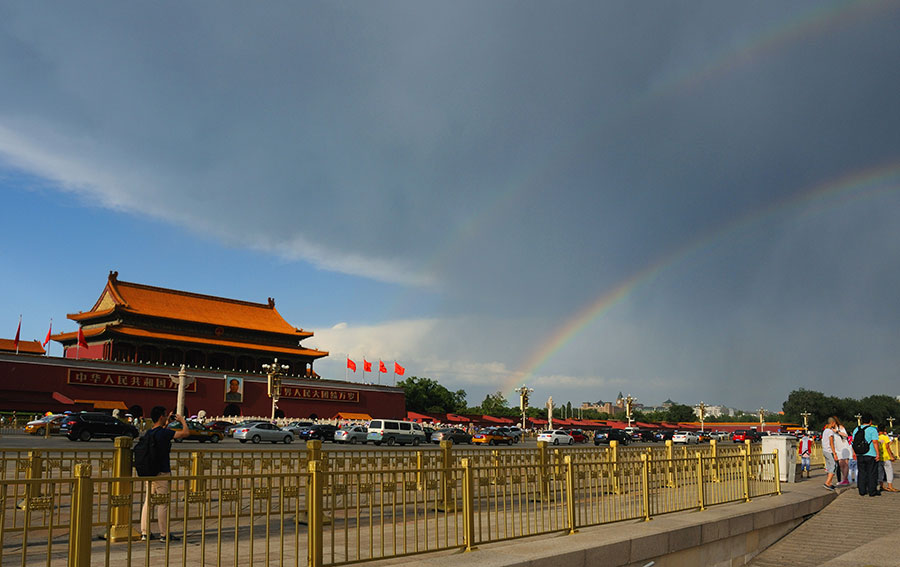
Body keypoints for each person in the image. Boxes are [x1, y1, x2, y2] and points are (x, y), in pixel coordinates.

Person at [140, 406, 189, 541]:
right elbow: (185, 433)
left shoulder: (149, 433)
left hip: (149, 472)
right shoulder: (164, 433)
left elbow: (161, 432)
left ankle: (145, 533)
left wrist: (166, 423)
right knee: (163, 503)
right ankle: (164, 534)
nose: (167, 416)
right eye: (165, 415)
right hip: (162, 472)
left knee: (148, 502)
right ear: (161, 417)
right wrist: (182, 421)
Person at [852, 413, 881, 497]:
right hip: (870, 454)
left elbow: (853, 442)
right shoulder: (872, 430)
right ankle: (872, 491)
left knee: (861, 472)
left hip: (859, 454)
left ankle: (862, 490)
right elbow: (875, 442)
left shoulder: (856, 429)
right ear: (871, 421)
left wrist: (854, 453)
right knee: (872, 473)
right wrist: (877, 454)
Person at [877, 425, 896, 492]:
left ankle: (881, 485)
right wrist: (891, 456)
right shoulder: (885, 437)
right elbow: (887, 447)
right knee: (889, 471)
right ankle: (890, 486)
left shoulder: (876, 437)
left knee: (880, 472)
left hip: (879, 457)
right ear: (884, 430)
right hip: (886, 456)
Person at [832, 417, 851, 486]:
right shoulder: (831, 429)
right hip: (838, 448)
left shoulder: (840, 427)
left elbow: (846, 435)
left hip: (844, 447)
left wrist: (837, 432)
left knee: (845, 463)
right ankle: (845, 479)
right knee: (841, 464)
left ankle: (845, 479)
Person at [822, 418, 838, 491]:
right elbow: (831, 443)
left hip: (825, 450)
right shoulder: (830, 432)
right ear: (832, 423)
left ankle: (829, 482)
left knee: (829, 466)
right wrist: (834, 453)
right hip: (829, 450)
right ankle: (827, 482)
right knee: (833, 466)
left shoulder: (825, 431)